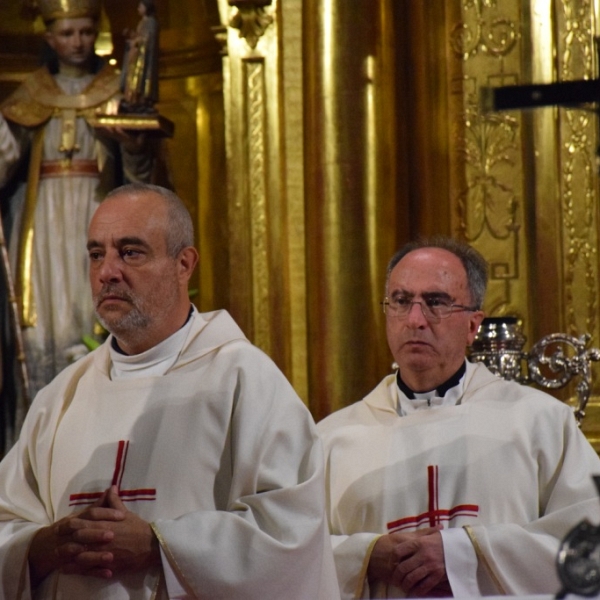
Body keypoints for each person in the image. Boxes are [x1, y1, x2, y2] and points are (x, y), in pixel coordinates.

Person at [0, 183, 339, 599]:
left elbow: (290, 531)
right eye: (95, 254)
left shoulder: (244, 380)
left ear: (184, 264)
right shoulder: (60, 399)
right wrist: (40, 547)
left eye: (130, 252)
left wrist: (158, 546)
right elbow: (7, 520)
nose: (107, 271)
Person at [317, 236, 600, 599]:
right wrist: (367, 556)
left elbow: (590, 543)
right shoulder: (332, 439)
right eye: (402, 301)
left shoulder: (540, 422)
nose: (415, 320)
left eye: (436, 302)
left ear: (472, 325)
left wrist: (464, 555)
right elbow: (294, 556)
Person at [0, 0, 152, 446]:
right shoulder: (29, 94)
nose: (77, 42)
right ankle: (41, 436)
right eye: (67, 34)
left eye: (85, 32)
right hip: (42, 218)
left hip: (95, 206)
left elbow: (141, 175)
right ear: (49, 38)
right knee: (44, 317)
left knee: (90, 303)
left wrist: (133, 144)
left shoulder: (114, 89)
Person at [120, 0, 160, 112]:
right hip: (137, 57)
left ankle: (142, 99)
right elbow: (140, 36)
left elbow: (148, 39)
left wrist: (137, 41)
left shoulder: (152, 22)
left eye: (140, 6)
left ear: (146, 8)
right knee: (132, 79)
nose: (138, 9)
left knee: (141, 80)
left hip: (144, 59)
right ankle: (132, 99)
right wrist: (132, 36)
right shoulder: (141, 22)